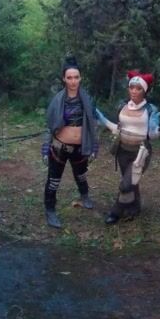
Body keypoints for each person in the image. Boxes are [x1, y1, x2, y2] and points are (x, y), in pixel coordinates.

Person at [95, 69, 160, 224]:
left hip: (141, 153)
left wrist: (154, 129)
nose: (134, 91)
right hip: (123, 151)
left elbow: (153, 136)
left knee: (125, 185)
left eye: (138, 88)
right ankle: (135, 207)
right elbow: (117, 128)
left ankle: (116, 212)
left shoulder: (150, 110)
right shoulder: (123, 106)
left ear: (145, 91)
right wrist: (103, 119)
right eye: (131, 87)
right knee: (132, 181)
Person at [41, 56, 100, 229]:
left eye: (76, 77)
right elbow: (49, 126)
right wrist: (45, 148)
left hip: (80, 147)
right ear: (64, 79)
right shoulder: (57, 101)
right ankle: (50, 210)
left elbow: (94, 124)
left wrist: (94, 146)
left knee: (81, 175)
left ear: (80, 78)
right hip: (59, 147)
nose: (73, 81)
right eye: (69, 78)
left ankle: (84, 195)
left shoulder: (87, 100)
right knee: (53, 181)